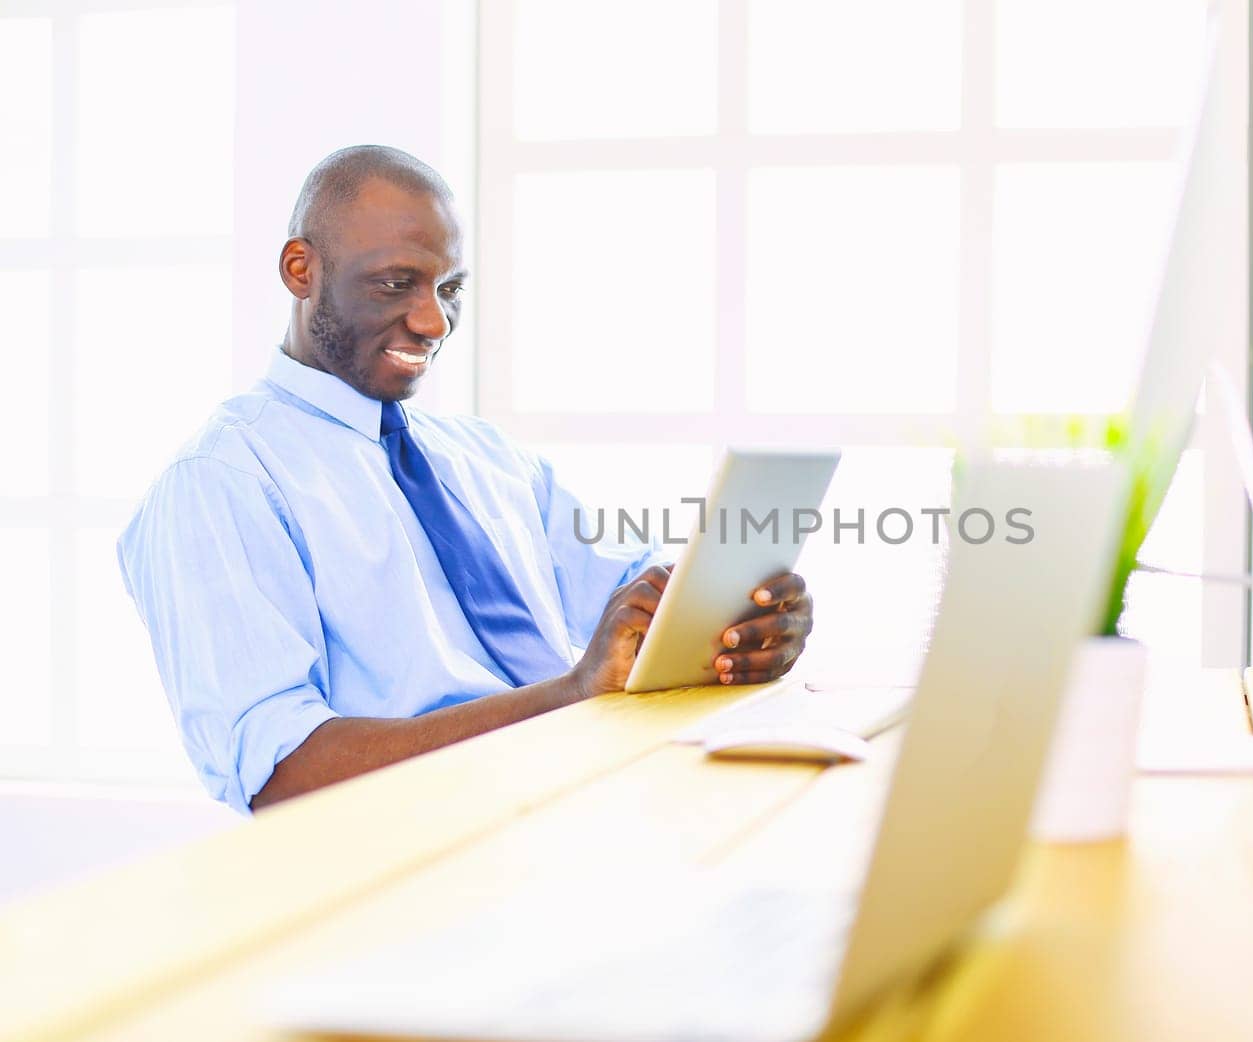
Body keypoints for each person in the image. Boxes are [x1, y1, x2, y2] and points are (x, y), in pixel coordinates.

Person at [118, 146, 814, 814]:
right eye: (396, 283)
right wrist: (569, 695)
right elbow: (283, 773)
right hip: (401, 879)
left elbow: (633, 600)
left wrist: (737, 623)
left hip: (581, 815)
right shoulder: (221, 482)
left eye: (449, 289)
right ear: (301, 269)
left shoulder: (489, 458)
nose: (433, 321)